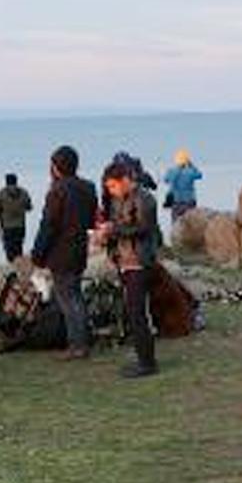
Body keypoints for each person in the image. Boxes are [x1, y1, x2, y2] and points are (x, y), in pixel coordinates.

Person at [31, 145, 98, 361]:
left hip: (61, 251)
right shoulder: (88, 187)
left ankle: (77, 345)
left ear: (56, 167)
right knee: (75, 295)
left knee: (68, 299)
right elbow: (90, 220)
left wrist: (37, 254)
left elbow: (48, 225)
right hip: (79, 247)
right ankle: (81, 340)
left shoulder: (58, 191)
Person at [99, 162, 161, 378]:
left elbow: (144, 228)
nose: (111, 191)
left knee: (137, 313)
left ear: (125, 180)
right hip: (125, 260)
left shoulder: (145, 198)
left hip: (139, 262)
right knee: (133, 313)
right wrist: (106, 232)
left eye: (113, 186)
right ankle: (143, 357)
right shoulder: (119, 200)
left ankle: (147, 363)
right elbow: (121, 225)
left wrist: (114, 229)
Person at [0, 173, 33, 260]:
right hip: (20, 226)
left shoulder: (1, 194)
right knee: (19, 249)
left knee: (9, 250)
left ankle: (13, 270)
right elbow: (29, 207)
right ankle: (18, 269)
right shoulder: (24, 193)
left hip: (7, 227)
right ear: (16, 181)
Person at [161, 150, 203, 222]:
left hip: (176, 203)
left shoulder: (171, 171)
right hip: (189, 203)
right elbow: (199, 175)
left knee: (176, 225)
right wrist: (191, 165)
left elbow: (165, 180)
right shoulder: (190, 171)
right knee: (191, 224)